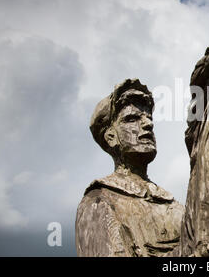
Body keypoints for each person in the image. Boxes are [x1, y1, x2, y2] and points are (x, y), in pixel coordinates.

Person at [75, 79, 183, 257]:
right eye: (132, 119)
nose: (148, 124)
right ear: (111, 137)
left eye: (149, 117)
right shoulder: (98, 202)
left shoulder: (176, 206)